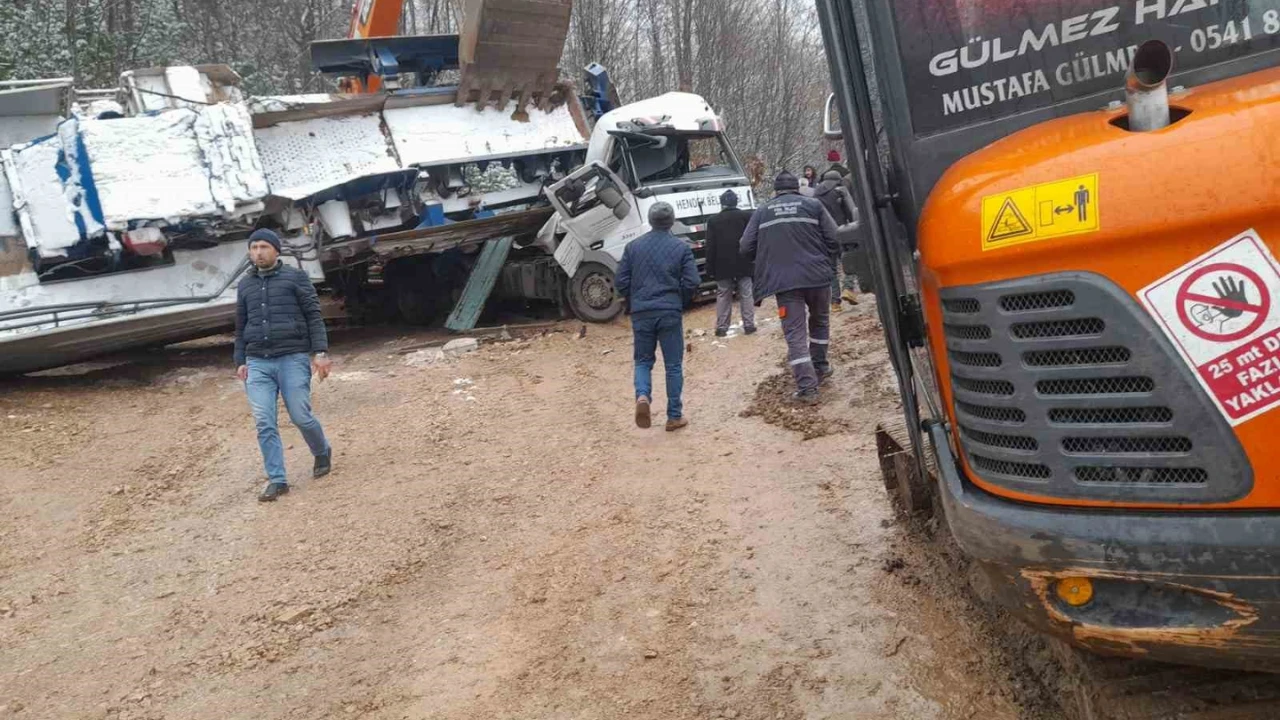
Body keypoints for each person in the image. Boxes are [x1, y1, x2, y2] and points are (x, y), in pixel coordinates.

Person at [234, 228, 333, 502]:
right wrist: (240, 360)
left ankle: (321, 450)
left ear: (277, 250)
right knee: (264, 422)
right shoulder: (245, 285)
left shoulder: (296, 278)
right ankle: (277, 480)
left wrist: (320, 352)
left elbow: (314, 316)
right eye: (254, 248)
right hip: (258, 362)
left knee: (300, 416)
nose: (258, 253)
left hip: (292, 357)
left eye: (264, 247)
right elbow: (241, 325)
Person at [740, 171, 840, 405]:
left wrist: (769, 256)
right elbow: (835, 237)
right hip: (817, 277)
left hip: (785, 283)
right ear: (797, 188)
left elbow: (745, 247)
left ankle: (807, 388)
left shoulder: (763, 211)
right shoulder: (813, 205)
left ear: (776, 191)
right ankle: (820, 366)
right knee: (820, 321)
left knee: (795, 333)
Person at [615, 202, 700, 431]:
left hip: (642, 312)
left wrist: (635, 300)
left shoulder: (633, 247)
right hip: (670, 311)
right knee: (673, 365)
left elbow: (620, 281)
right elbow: (693, 281)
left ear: (650, 221)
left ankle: (642, 396)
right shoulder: (681, 248)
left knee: (643, 361)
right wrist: (678, 301)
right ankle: (674, 416)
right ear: (671, 222)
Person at [705, 189, 756, 337]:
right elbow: (752, 239)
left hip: (722, 264)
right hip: (744, 260)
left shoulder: (713, 221)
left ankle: (722, 327)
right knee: (746, 293)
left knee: (723, 294)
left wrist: (710, 268)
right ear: (736, 201)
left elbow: (711, 246)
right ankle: (749, 325)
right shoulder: (747, 216)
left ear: (721, 203)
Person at [813, 170, 857, 312]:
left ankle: (834, 302)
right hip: (843, 231)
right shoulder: (840, 190)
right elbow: (851, 212)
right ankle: (848, 289)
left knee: (831, 269)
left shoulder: (815, 194)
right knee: (851, 260)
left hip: (824, 236)